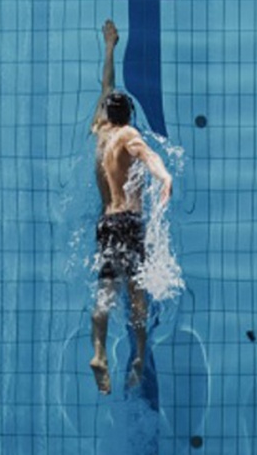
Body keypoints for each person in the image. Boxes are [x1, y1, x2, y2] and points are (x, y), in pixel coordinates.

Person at [89, 19, 173, 395]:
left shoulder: (101, 132)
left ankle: (98, 353)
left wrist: (109, 47)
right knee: (137, 294)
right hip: (128, 222)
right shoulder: (128, 135)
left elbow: (106, 86)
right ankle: (139, 354)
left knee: (106, 291)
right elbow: (150, 155)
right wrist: (164, 177)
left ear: (107, 113)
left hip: (105, 223)